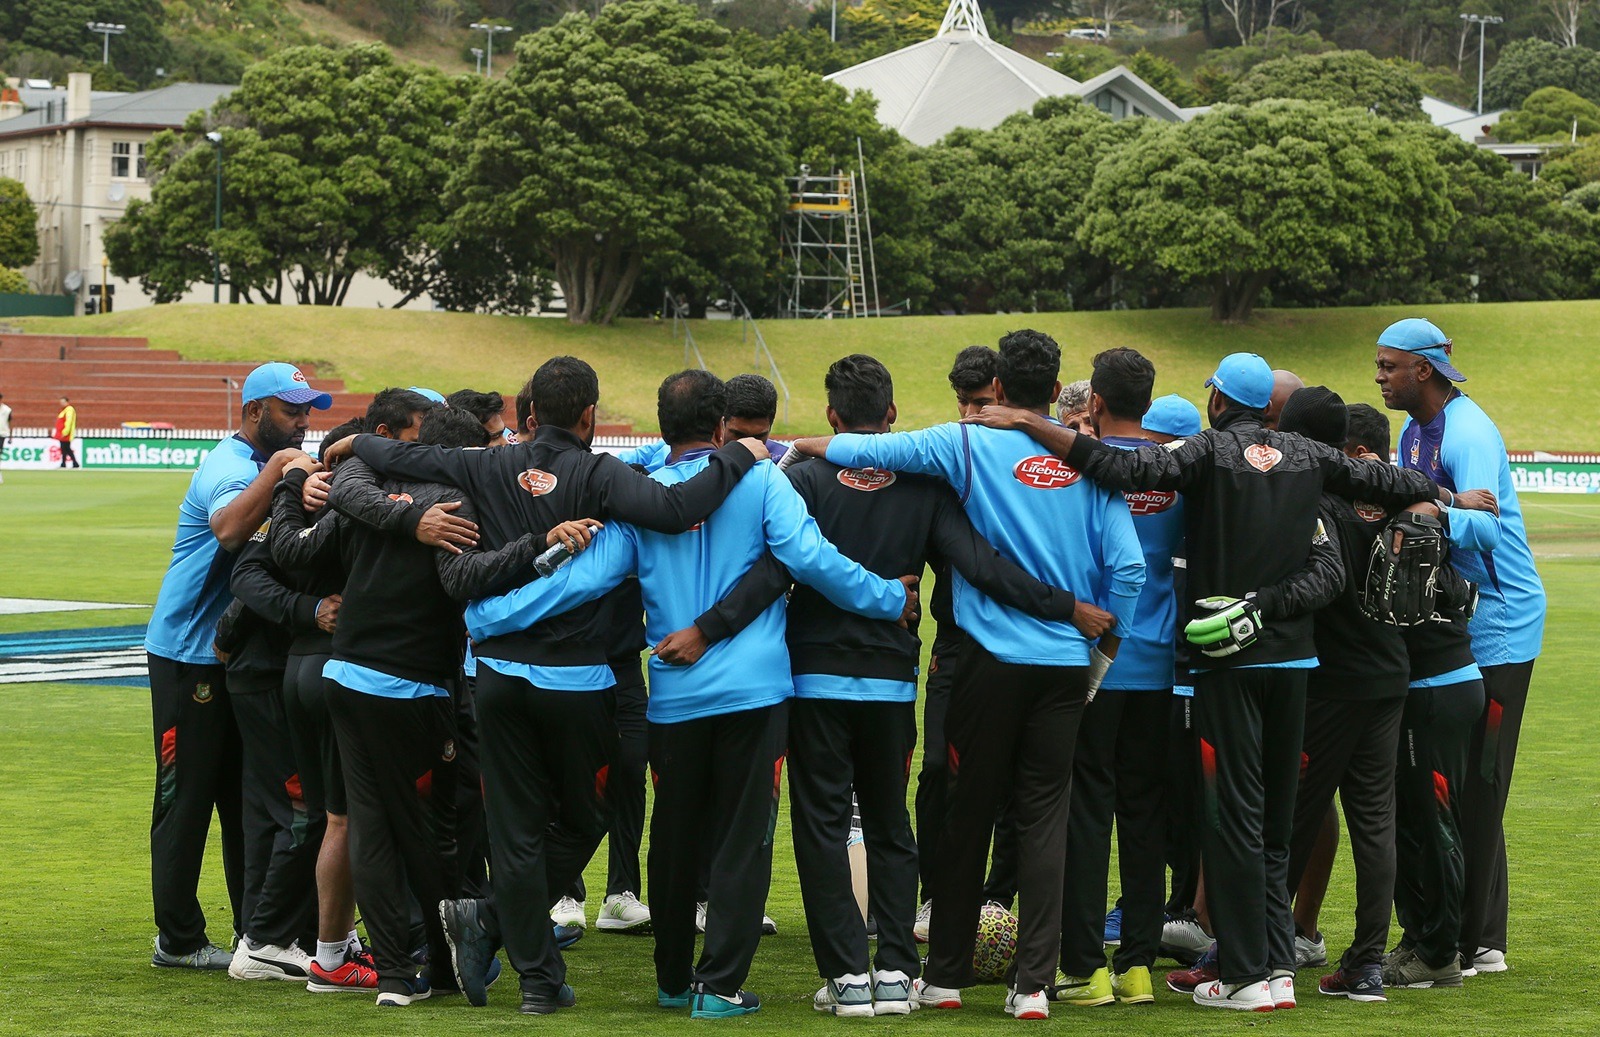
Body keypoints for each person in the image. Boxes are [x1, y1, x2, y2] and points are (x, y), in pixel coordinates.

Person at [960, 350, 1485, 1012]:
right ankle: (1273, 967)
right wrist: (1445, 499)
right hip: (1295, 664)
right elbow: (1384, 478)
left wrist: (1030, 424)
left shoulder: (1207, 452)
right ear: (1266, 405)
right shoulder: (1308, 455)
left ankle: (1243, 973)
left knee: (1232, 816)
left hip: (1227, 661)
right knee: (1271, 825)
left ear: (1216, 402)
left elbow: (1123, 465)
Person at [465, 369, 913, 1019]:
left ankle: (674, 980)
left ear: (663, 424)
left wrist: (488, 618)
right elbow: (814, 561)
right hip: (755, 692)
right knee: (742, 839)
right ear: (720, 426)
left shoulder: (642, 496)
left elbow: (581, 580)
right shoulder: (761, 481)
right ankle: (719, 986)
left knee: (672, 838)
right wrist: (890, 595)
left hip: (674, 695)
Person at [325, 356, 766, 1015]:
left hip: (497, 678)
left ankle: (536, 980)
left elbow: (400, 455)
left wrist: (351, 442)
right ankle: (503, 930)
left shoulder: (484, 464)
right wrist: (740, 457)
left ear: (531, 415)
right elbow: (677, 509)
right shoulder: (600, 472)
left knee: (516, 831)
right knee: (587, 814)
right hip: (577, 682)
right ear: (589, 416)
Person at [687, 354, 1101, 1016]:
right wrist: (1063, 606)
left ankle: (848, 975)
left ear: (830, 417)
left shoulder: (801, 478)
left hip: (817, 679)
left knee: (822, 826)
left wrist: (708, 628)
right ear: (892, 415)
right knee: (889, 823)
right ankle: (896, 972)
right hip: (890, 686)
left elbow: (773, 572)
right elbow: (982, 566)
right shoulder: (924, 486)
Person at [789, 330, 1146, 1021]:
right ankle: (1033, 985)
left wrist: (805, 444)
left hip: (986, 662)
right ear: (1055, 387)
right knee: (1045, 818)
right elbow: (1128, 570)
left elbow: (872, 450)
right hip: (1065, 666)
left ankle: (946, 973)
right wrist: (1099, 658)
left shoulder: (967, 442)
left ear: (1000, 390)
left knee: (965, 813)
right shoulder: (1090, 466)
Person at [1374, 317, 1545, 975]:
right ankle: (1486, 937)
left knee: (1478, 788)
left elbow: (1489, 531)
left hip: (1500, 628)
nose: (1381, 376)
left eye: (1389, 365)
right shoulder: (1413, 430)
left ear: (1425, 369)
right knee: (1473, 787)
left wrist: (1438, 505)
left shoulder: (1468, 431)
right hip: (1460, 627)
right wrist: (1436, 498)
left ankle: (1469, 943)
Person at [143, 362, 327, 970]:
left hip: (236, 659)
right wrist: (278, 471)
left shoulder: (265, 461)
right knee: (185, 796)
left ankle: (258, 934)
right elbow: (227, 532)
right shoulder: (229, 464)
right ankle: (179, 939)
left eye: (307, 409)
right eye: (291, 409)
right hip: (187, 656)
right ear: (255, 412)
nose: (304, 421)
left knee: (243, 801)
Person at [1055, 349, 1184, 1010]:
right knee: (1144, 815)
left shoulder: (1087, 470)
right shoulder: (1178, 471)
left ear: (1095, 404)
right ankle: (1138, 964)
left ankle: (1085, 966)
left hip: (1097, 662)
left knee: (1086, 810)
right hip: (1159, 666)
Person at [1276, 393, 1409, 1003]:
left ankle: (1262, 951)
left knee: (1293, 816)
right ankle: (1367, 964)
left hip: (1332, 684)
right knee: (1374, 823)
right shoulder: (1391, 498)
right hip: (1389, 673)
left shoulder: (1313, 499)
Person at [913, 345, 1024, 944]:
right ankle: (936, 895)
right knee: (936, 773)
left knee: (1012, 781)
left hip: (1023, 643)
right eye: (963, 404)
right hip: (953, 644)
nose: (970, 415)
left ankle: (998, 900)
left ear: (1005, 397)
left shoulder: (1036, 462)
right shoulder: (949, 463)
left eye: (981, 404)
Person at [54, 396, 80, 468]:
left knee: (66, 448)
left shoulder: (69, 410)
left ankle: (71, 463)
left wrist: (65, 432)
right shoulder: (64, 410)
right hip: (62, 433)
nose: (61, 404)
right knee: (65, 448)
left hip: (65, 433)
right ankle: (67, 463)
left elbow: (68, 421)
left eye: (63, 402)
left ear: (67, 402)